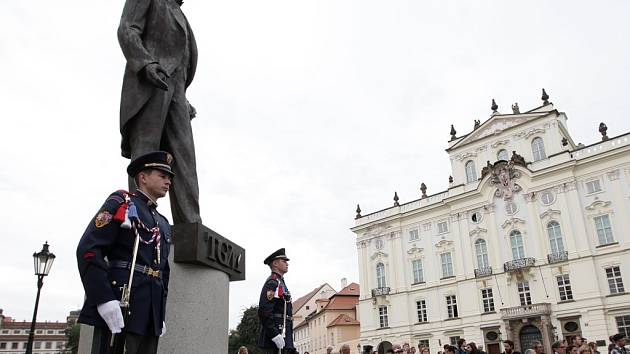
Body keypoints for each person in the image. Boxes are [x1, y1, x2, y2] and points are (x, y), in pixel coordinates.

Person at [76, 151, 175, 354]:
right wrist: (103, 298)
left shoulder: (163, 222)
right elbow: (88, 249)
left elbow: (162, 270)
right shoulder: (123, 203)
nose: (168, 182)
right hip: (121, 301)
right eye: (162, 176)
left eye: (169, 178)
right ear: (143, 177)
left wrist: (159, 313)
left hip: (150, 311)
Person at [117, 0, 202, 225]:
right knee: (145, 154)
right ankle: (139, 216)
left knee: (185, 160)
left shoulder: (182, 16)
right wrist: (146, 64)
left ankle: (191, 227)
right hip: (151, 83)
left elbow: (181, 63)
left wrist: (182, 96)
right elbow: (127, 28)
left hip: (177, 91)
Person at [258, 248, 294, 353]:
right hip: (276, 333)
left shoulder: (280, 282)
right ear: (275, 264)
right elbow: (264, 310)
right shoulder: (273, 282)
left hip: (284, 332)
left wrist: (290, 338)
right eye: (284, 261)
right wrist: (274, 334)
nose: (287, 264)